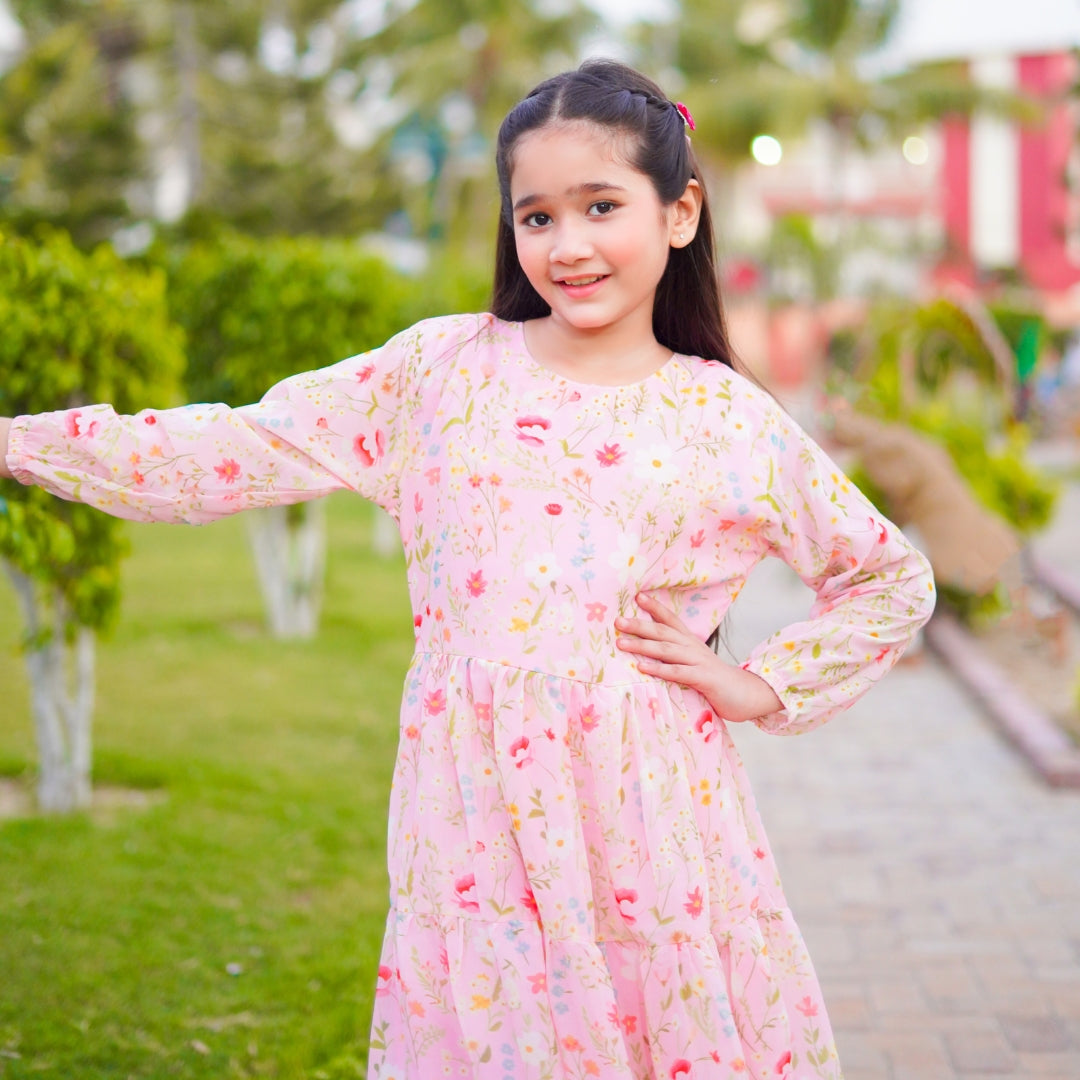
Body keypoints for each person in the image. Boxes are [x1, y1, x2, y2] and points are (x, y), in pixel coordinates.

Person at [0, 60, 934, 1080]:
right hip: (473, 820)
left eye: (601, 206)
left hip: (649, 819)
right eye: (537, 216)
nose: (568, 244)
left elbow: (889, 579)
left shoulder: (726, 419)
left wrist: (760, 686)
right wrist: (23, 444)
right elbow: (239, 445)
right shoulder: (442, 374)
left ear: (679, 213)